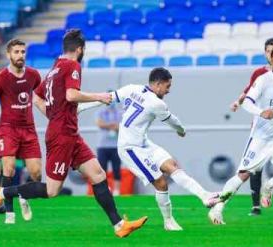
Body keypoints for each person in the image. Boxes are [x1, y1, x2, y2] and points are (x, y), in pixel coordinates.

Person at [0, 29, 147, 238]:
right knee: (52, 191)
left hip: (68, 132)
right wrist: (99, 96)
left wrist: (53, 116)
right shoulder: (72, 65)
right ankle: (0, 194)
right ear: (80, 49)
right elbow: (70, 95)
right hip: (62, 134)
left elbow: (36, 96)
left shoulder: (55, 67)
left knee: (97, 174)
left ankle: (119, 225)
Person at [79, 67, 218, 231]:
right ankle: (169, 222)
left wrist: (81, 107)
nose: (168, 91)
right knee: (161, 182)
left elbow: (106, 97)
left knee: (171, 165)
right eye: (167, 86)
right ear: (158, 84)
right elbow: (173, 121)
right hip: (130, 149)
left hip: (144, 143)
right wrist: (182, 131)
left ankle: (204, 196)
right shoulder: (157, 103)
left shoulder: (132, 88)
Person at [209, 44, 273, 225]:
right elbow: (246, 103)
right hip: (261, 137)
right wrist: (261, 112)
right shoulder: (263, 80)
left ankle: (268, 187)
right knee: (243, 175)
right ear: (272, 60)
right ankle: (218, 208)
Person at [0, 39, 42, 224]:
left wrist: (53, 116)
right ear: (9, 55)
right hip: (8, 128)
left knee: (36, 174)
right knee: (9, 169)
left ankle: (23, 195)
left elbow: (38, 100)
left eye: (23, 51)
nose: (20, 55)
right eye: (17, 52)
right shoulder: (2, 78)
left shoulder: (34, 75)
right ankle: (10, 214)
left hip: (29, 129)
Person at [96, 103, 123, 195]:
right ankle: (105, 189)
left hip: (116, 146)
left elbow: (122, 126)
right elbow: (99, 124)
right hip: (102, 146)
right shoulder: (101, 112)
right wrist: (111, 125)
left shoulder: (120, 113)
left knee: (116, 169)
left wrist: (109, 125)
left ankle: (117, 191)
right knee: (102, 169)